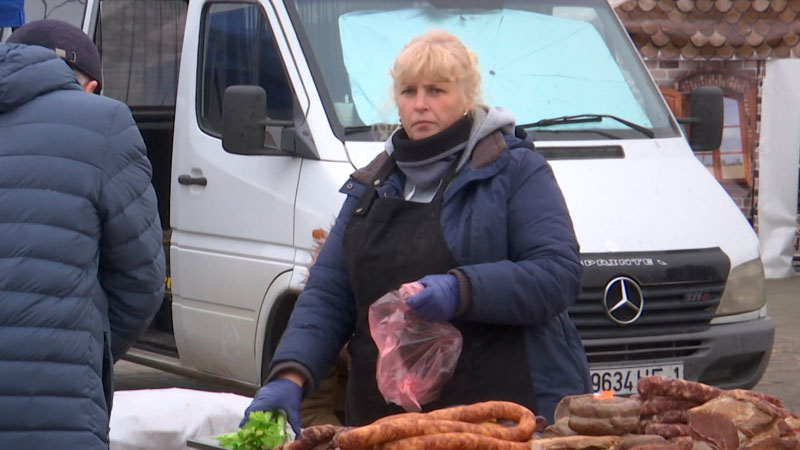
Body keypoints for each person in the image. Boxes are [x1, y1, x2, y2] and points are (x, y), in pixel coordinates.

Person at [241, 29, 590, 430]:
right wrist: (290, 375)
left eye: (436, 90)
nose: (421, 104)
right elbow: (329, 292)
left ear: (467, 97)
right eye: (409, 92)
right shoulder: (371, 185)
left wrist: (461, 290)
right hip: (388, 423)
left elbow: (557, 273)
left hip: (504, 418)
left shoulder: (515, 171)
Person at [0, 20, 165, 449]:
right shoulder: (106, 122)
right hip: (59, 410)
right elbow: (142, 280)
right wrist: (82, 346)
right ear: (90, 87)